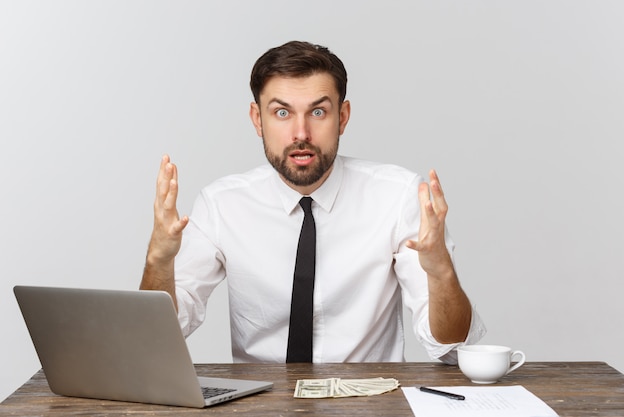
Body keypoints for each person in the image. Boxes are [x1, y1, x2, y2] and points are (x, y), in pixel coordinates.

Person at [140, 40, 485, 364]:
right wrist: (158, 260)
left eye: (318, 113)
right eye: (282, 113)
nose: (301, 133)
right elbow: (157, 337)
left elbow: (451, 345)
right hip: (263, 405)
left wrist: (441, 273)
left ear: (343, 117)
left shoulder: (397, 196)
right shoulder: (221, 205)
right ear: (257, 119)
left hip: (370, 403)